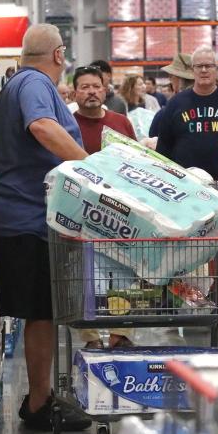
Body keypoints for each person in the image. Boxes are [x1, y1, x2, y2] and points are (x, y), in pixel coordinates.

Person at [0, 23, 91, 432]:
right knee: (41, 313)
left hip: (29, 218)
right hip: (25, 219)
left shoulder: (22, 80)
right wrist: (90, 168)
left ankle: (40, 398)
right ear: (60, 55)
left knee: (43, 313)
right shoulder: (33, 83)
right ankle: (37, 404)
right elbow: (42, 127)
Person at [70, 65, 138, 350]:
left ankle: (120, 335)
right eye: (84, 87)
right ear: (75, 92)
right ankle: (92, 337)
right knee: (89, 275)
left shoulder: (121, 122)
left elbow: (138, 164)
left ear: (105, 88)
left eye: (96, 86)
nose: (91, 92)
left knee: (124, 273)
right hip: (81, 214)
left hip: (121, 214)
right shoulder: (67, 124)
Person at [155, 46, 218, 200]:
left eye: (209, 66)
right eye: (199, 66)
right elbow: (163, 148)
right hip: (184, 188)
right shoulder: (176, 103)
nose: (204, 70)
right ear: (192, 70)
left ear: (217, 70)